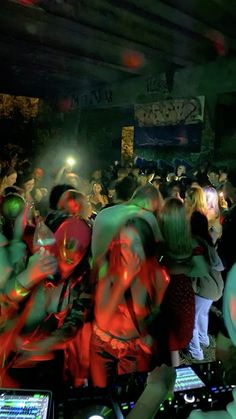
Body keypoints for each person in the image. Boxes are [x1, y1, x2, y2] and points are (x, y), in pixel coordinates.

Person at [90, 184, 169, 387]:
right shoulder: (108, 273)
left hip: (134, 350)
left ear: (147, 245)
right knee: (103, 395)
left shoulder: (157, 276)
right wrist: (123, 282)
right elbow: (103, 318)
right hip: (103, 347)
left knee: (130, 395)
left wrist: (149, 333)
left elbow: (156, 313)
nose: (131, 252)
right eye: (125, 245)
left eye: (137, 245)